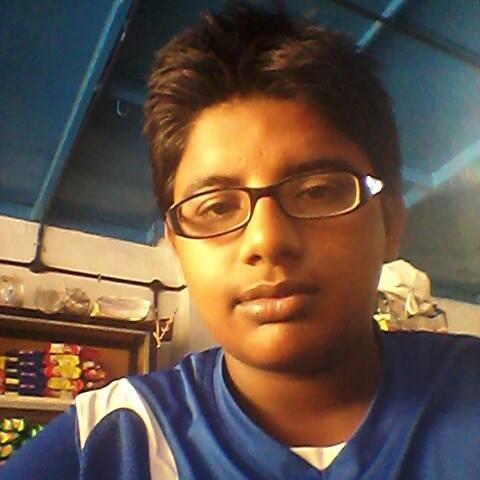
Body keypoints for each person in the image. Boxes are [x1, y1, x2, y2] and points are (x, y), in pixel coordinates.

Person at [3, 2, 480, 479]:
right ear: (177, 246)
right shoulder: (112, 442)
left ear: (390, 223)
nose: (267, 240)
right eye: (216, 207)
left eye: (317, 192)